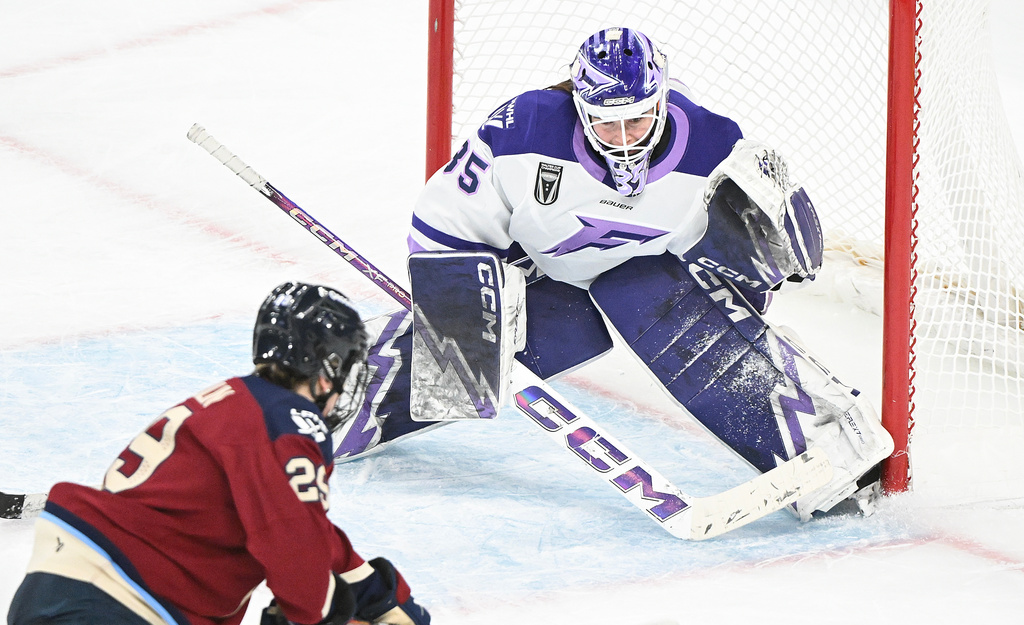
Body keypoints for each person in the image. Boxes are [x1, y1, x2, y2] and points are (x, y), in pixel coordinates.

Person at [333, 27, 893, 521]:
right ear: (580, 107)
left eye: (638, 119)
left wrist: (770, 251)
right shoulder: (522, 130)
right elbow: (440, 224)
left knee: (643, 298)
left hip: (646, 287)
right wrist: (465, 300)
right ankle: (336, 398)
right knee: (462, 365)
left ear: (662, 97)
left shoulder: (716, 149)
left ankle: (818, 449)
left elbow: (746, 289)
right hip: (540, 281)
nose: (624, 138)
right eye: (607, 123)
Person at [3, 282, 434, 625]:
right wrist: (318, 615)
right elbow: (293, 548)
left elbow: (305, 530)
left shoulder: (247, 406)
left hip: (144, 613)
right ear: (329, 368)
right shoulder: (288, 421)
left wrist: (379, 597)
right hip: (96, 612)